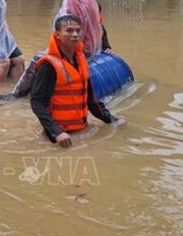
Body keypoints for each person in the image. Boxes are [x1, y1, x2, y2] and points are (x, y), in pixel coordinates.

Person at [0, 0, 111, 99]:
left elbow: (67, 31)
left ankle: (16, 94)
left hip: (79, 50)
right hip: (94, 49)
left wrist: (55, 53)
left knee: (36, 60)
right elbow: (99, 24)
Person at [30, 14, 119, 148]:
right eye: (69, 30)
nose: (75, 34)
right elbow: (37, 102)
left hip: (81, 130)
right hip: (57, 138)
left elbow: (91, 99)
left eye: (78, 30)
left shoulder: (81, 59)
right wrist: (56, 132)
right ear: (58, 34)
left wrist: (111, 120)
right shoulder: (48, 65)